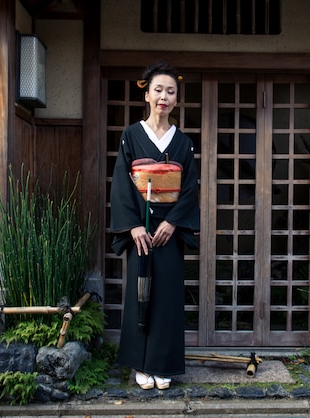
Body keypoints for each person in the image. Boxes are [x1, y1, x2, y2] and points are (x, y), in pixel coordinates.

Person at [109, 61, 200, 390]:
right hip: (141, 232)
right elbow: (121, 183)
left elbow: (190, 188)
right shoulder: (131, 136)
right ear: (146, 94)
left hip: (169, 232)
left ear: (177, 98)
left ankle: (164, 366)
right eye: (158, 90)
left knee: (169, 297)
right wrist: (133, 226)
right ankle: (141, 364)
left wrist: (174, 223)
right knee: (139, 294)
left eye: (171, 91)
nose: (164, 96)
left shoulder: (184, 143)